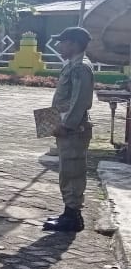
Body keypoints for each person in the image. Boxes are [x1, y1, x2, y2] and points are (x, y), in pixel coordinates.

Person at [44, 27, 96, 232]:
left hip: (74, 129)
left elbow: (80, 101)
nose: (59, 45)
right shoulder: (72, 66)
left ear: (74, 44)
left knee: (73, 171)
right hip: (67, 127)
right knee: (67, 170)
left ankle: (73, 216)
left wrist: (66, 125)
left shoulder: (81, 68)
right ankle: (69, 212)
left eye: (63, 42)